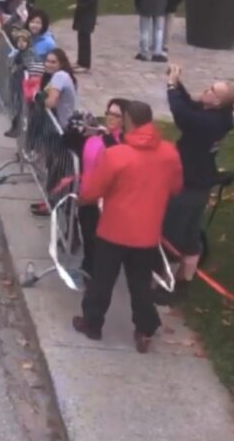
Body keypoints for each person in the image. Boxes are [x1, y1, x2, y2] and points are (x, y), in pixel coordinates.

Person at [73, 101, 183, 353]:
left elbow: (92, 190)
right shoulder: (169, 153)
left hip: (114, 229)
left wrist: (82, 198)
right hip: (146, 233)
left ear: (129, 121)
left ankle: (92, 323)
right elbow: (176, 187)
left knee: (103, 280)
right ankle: (144, 328)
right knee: (140, 282)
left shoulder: (116, 155)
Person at [157, 66, 234, 304]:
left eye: (213, 91)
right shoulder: (216, 117)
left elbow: (183, 114)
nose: (207, 90)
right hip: (198, 184)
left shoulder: (209, 123)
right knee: (190, 236)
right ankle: (183, 284)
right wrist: (177, 83)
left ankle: (165, 285)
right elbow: (190, 104)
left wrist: (171, 86)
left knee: (173, 236)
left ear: (218, 103)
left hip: (187, 187)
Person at [78, 98, 130, 278]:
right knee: (87, 233)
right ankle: (88, 265)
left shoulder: (122, 143)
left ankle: (96, 273)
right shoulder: (97, 137)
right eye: (109, 113)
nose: (111, 118)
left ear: (125, 120)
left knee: (98, 241)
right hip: (87, 196)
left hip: (104, 201)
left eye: (117, 115)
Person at [71, 0, 104, 73]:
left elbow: (90, 1)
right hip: (83, 15)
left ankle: (85, 64)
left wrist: (78, 6)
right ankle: (80, 61)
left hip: (87, 15)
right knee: (81, 37)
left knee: (85, 39)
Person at [41, 48, 79, 128]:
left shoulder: (60, 76)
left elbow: (51, 103)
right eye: (47, 61)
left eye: (53, 62)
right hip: (60, 123)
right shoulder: (59, 75)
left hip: (61, 126)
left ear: (61, 64)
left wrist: (37, 99)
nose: (48, 64)